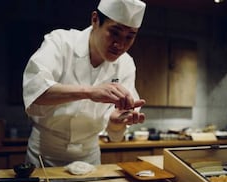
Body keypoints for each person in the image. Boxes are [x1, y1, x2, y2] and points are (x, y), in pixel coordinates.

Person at [22, 0, 147, 167]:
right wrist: (89, 92)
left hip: (89, 156)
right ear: (95, 20)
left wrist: (116, 123)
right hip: (44, 154)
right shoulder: (60, 42)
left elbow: (114, 129)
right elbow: (35, 90)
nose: (120, 45)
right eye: (114, 32)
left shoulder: (126, 64)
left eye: (129, 37)